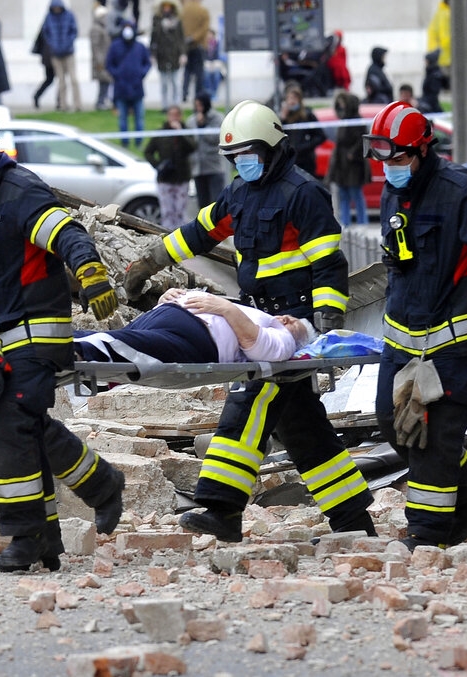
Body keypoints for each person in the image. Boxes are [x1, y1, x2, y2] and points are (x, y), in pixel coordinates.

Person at [122, 100, 377, 543]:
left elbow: (327, 262)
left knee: (249, 404)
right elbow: (198, 232)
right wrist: (148, 262)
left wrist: (326, 321)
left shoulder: (304, 193)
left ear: (273, 149)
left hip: (291, 324)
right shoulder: (239, 192)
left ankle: (222, 508)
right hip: (257, 314)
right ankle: (353, 519)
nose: (243, 164)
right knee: (302, 427)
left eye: (249, 155)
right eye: (235, 158)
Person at [0, 110, 126, 572]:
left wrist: (90, 273)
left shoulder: (19, 192)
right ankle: (77, 509)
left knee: (10, 425)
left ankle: (24, 536)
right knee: (25, 425)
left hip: (35, 334)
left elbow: (66, 232)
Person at [363, 102, 467, 551]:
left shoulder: (460, 193)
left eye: (398, 159)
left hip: (455, 344)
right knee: (394, 424)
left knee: (437, 436)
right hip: (404, 341)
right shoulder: (394, 192)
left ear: (422, 151)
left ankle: (428, 533)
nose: (390, 168)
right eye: (383, 159)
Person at [75, 288, 314, 365]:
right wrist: (169, 297)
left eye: (292, 324)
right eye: (287, 316)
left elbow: (260, 347)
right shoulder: (256, 314)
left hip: (196, 339)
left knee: (124, 346)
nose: (284, 319)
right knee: (113, 339)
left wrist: (225, 308)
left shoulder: (285, 342)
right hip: (168, 316)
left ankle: (68, 348)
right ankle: (57, 342)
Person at [144, 104, 196, 229]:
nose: (174, 118)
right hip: (165, 178)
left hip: (182, 178)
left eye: (176, 115)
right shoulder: (161, 133)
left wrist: (180, 133)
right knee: (167, 212)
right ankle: (167, 233)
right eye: (171, 115)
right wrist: (158, 165)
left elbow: (193, 147)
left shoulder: (186, 131)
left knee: (180, 211)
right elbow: (148, 152)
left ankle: (181, 235)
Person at [325, 91, 369, 226]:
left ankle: (362, 223)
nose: (341, 106)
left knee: (356, 194)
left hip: (353, 165)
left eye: (343, 103)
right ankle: (345, 223)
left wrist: (352, 153)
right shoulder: (343, 121)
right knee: (343, 195)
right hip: (341, 165)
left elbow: (362, 141)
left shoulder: (357, 121)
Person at [105, 20, 151, 149]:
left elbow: (147, 63)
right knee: (123, 119)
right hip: (121, 88)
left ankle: (139, 142)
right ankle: (124, 142)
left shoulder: (140, 47)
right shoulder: (115, 46)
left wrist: (141, 74)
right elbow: (109, 64)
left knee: (139, 118)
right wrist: (117, 75)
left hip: (137, 88)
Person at [185, 91, 230, 208]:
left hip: (214, 166)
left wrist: (202, 126)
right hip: (198, 167)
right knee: (202, 204)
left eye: (200, 105)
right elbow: (189, 141)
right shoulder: (191, 120)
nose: (198, 108)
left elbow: (215, 138)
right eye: (196, 105)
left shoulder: (217, 118)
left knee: (216, 202)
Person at [278, 81, 326, 180]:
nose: (292, 101)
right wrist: (282, 119)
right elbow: (278, 135)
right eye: (289, 98)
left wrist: (304, 146)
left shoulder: (307, 115)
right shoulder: (285, 117)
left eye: (295, 98)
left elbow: (320, 136)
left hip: (306, 160)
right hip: (290, 160)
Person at [41, 0, 82, 112]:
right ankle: (63, 105)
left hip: (69, 53)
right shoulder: (49, 17)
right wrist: (53, 46)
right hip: (56, 54)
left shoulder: (69, 15)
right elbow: (46, 33)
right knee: (61, 81)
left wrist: (67, 44)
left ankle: (77, 105)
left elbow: (74, 32)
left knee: (73, 79)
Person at [149, 0, 185, 111]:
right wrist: (152, 54)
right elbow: (154, 38)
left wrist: (183, 54)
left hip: (174, 55)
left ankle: (176, 104)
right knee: (164, 83)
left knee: (175, 82)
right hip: (162, 56)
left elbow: (181, 39)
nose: (166, 9)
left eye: (168, 7)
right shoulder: (157, 21)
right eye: (164, 6)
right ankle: (165, 105)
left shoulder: (177, 22)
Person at [180, 0, 210, 103]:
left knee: (187, 71)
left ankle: (184, 93)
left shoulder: (183, 10)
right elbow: (205, 28)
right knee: (199, 73)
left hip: (186, 45)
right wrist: (194, 37)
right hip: (199, 44)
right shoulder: (203, 11)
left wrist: (187, 39)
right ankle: (198, 95)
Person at [90, 5, 113, 110]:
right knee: (103, 82)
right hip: (100, 61)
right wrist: (100, 62)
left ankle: (103, 101)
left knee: (106, 82)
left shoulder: (104, 28)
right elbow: (95, 47)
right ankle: (100, 102)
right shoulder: (96, 29)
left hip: (105, 59)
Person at [31, 28, 59, 110]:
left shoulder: (47, 25)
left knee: (50, 80)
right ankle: (59, 101)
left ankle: (37, 95)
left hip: (48, 57)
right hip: (51, 57)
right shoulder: (49, 26)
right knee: (52, 80)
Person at [427, 0, 452, 87]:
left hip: (441, 55)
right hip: (445, 56)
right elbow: (445, 35)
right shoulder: (446, 13)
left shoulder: (441, 11)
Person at [202, 27, 225, 101]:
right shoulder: (204, 45)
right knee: (207, 75)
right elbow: (203, 56)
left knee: (216, 75)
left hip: (215, 63)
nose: (209, 36)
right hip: (206, 63)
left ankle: (214, 93)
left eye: (210, 34)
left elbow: (218, 56)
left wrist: (213, 63)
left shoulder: (217, 44)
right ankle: (209, 93)